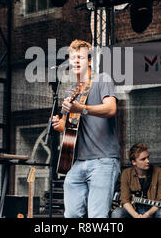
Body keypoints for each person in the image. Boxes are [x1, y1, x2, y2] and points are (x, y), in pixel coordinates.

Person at [51, 39, 120, 218]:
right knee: (71, 215)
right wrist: (61, 126)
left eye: (80, 57)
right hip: (76, 162)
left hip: (102, 160)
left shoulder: (101, 79)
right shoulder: (71, 91)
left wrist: (82, 109)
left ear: (89, 61)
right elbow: (71, 127)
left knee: (97, 217)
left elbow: (111, 109)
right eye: (72, 57)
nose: (75, 61)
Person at [111, 143, 161, 218]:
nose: (148, 161)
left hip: (153, 209)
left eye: (148, 157)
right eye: (143, 159)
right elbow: (125, 200)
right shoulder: (126, 173)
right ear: (134, 162)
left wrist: (147, 214)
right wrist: (136, 215)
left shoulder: (160, 173)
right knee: (117, 213)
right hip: (133, 210)